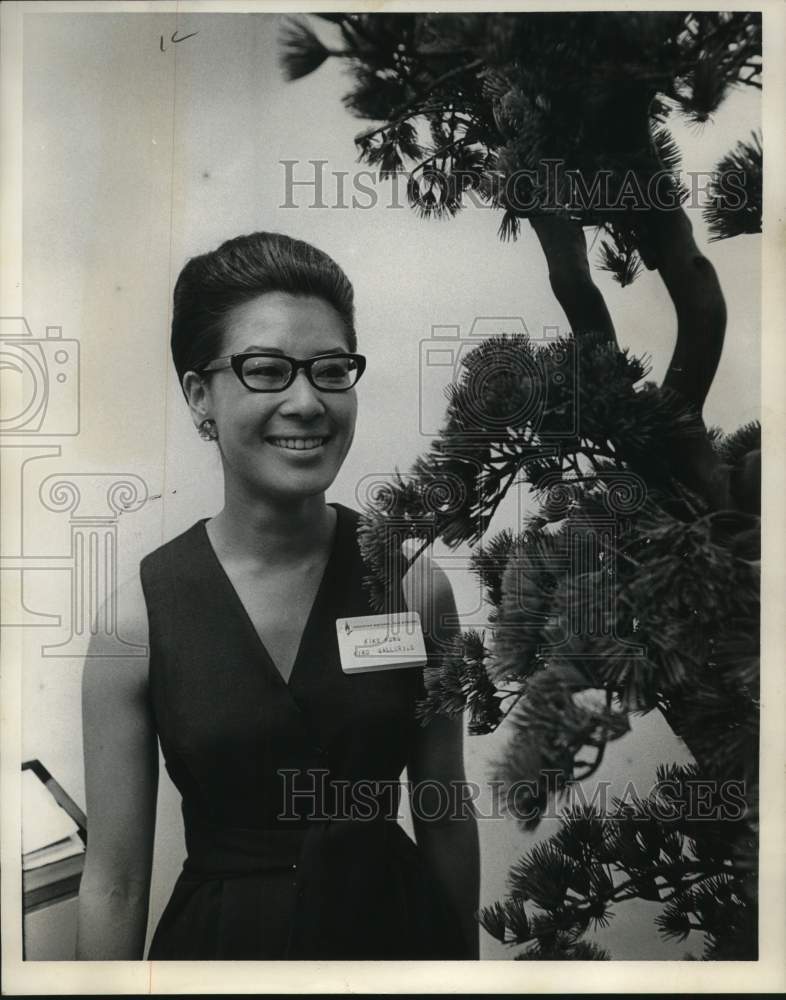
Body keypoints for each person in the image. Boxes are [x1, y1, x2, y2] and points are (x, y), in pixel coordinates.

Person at [75, 231, 481, 960]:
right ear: (199, 395)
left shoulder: (413, 587)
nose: (306, 402)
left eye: (330, 370)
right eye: (266, 370)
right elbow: (115, 882)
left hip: (394, 941)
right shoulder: (136, 620)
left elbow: (444, 812)